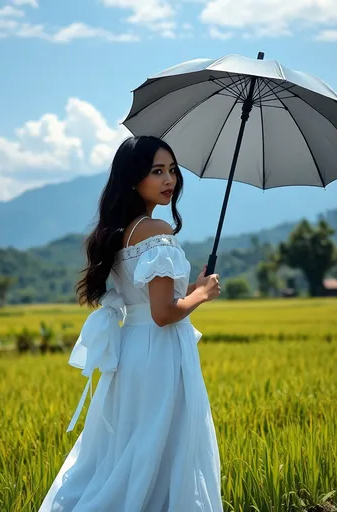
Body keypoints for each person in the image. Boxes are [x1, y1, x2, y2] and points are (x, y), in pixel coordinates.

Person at [38, 135, 223, 512]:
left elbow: (152, 304)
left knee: (132, 448)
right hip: (160, 352)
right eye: (157, 171)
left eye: (172, 170)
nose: (169, 179)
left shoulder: (122, 232)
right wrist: (202, 294)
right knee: (163, 446)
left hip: (134, 352)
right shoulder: (156, 232)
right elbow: (163, 314)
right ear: (134, 179)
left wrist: (192, 287)